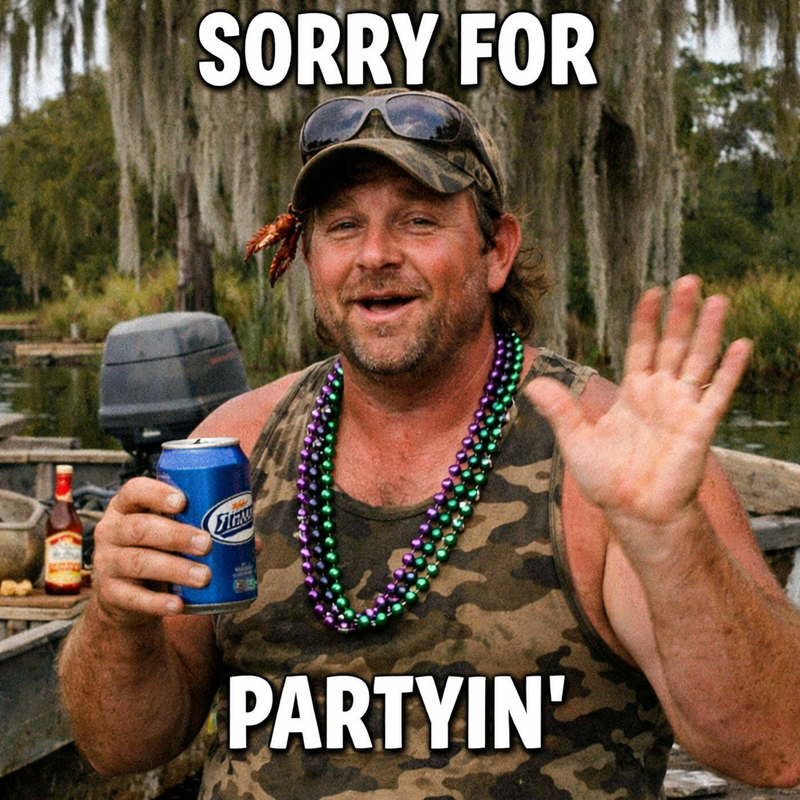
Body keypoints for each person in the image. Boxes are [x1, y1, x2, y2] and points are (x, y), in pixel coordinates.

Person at [60, 89, 800, 799]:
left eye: (418, 221)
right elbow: (120, 748)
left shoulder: (608, 460)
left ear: (496, 252)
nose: (375, 254)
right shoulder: (241, 447)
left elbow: (773, 745)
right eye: (342, 226)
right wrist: (117, 617)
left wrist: (670, 536)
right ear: (309, 257)